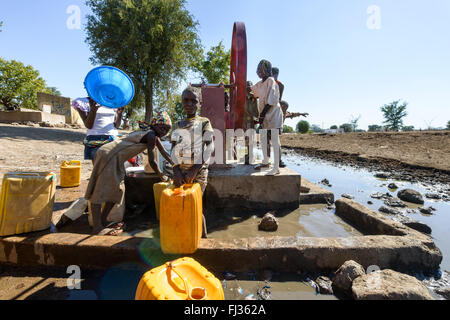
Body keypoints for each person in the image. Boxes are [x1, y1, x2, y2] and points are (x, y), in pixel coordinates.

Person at [84, 111, 173, 236]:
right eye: (162, 127)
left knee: (117, 190)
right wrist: (161, 175)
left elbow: (164, 153)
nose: (164, 131)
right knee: (100, 189)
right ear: (154, 125)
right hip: (109, 155)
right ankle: (97, 227)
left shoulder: (153, 136)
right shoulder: (151, 135)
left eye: (167, 129)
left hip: (117, 158)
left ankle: (103, 220)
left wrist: (176, 165)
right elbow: (152, 162)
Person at [169, 87, 214, 238]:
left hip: (198, 172)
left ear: (199, 103)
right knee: (178, 205)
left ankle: (203, 239)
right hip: (180, 172)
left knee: (195, 205)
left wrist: (195, 169)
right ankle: (184, 239)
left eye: (193, 101)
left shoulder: (204, 122)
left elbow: (210, 146)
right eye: (186, 100)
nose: (189, 104)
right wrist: (175, 170)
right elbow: (174, 149)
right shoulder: (177, 124)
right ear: (182, 102)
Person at [250, 60, 283, 175]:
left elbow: (271, 101)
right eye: (258, 70)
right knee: (263, 139)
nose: (259, 72)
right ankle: (265, 161)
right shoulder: (260, 83)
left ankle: (276, 167)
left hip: (273, 114)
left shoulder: (271, 81)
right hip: (264, 116)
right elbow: (253, 92)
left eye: (261, 69)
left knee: (274, 140)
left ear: (267, 70)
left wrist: (262, 115)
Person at [72, 97, 124, 163]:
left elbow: (116, 125)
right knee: (99, 169)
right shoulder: (83, 102)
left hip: (112, 138)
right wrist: (93, 110)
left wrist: (120, 114)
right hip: (95, 140)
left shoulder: (112, 102)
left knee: (113, 167)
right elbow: (88, 125)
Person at [244, 81, 260, 164]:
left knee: (250, 138)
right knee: (245, 139)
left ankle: (249, 156)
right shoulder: (243, 97)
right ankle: (247, 156)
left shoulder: (254, 97)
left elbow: (256, 112)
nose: (248, 88)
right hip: (244, 120)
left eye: (250, 86)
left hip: (250, 120)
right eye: (247, 86)